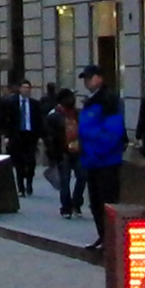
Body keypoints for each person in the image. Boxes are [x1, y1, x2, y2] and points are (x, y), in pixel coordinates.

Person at [77, 66, 127, 246]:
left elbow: (112, 133)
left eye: (89, 78)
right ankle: (104, 236)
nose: (86, 82)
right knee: (96, 202)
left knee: (107, 201)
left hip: (105, 161)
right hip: (92, 161)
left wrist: (95, 151)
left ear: (99, 78)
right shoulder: (90, 101)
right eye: (85, 78)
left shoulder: (108, 100)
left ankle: (111, 239)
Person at [44, 89, 83, 217]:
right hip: (63, 152)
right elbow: (50, 137)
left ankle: (76, 202)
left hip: (79, 151)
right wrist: (52, 155)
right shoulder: (54, 116)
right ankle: (66, 207)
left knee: (82, 176)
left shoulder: (78, 114)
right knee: (65, 180)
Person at [2, 80, 43, 195]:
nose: (26, 90)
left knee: (31, 161)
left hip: (30, 135)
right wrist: (7, 136)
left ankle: (29, 182)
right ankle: (21, 188)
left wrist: (40, 136)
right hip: (17, 135)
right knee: (18, 162)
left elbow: (39, 121)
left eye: (28, 88)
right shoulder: (12, 103)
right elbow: (8, 121)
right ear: (20, 89)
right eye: (24, 87)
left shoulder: (34, 104)